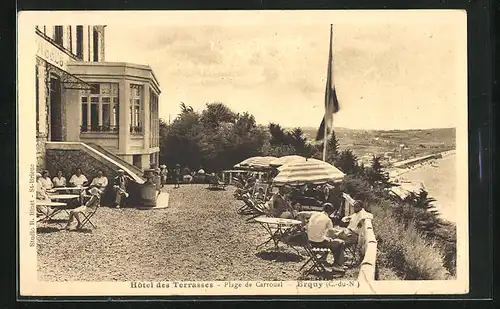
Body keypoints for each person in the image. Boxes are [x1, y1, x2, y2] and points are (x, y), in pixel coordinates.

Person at [306, 202, 346, 272]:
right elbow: (332, 235)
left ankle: (323, 259)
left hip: (309, 241)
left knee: (328, 240)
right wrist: (340, 232)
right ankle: (338, 265)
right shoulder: (328, 219)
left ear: (323, 208)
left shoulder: (315, 214)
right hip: (318, 243)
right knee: (340, 243)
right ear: (331, 212)